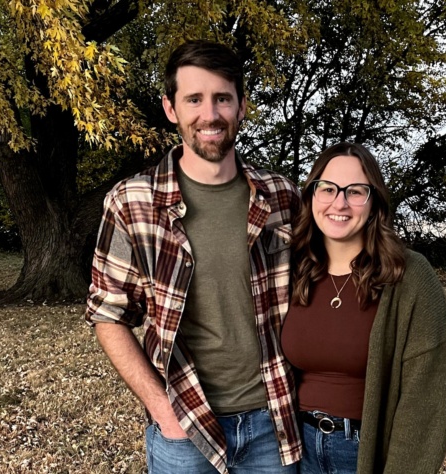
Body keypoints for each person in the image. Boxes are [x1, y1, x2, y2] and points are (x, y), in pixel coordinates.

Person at [85, 40, 301, 474]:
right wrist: (162, 409)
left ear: (241, 106)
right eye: (194, 99)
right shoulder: (132, 203)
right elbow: (109, 316)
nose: (210, 114)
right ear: (171, 108)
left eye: (222, 98)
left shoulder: (282, 197)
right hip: (184, 426)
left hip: (273, 423)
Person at [281, 142, 446, 473]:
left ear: (374, 202)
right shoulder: (293, 269)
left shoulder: (409, 276)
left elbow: (425, 399)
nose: (339, 203)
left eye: (355, 191)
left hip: (361, 453)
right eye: (327, 189)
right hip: (295, 451)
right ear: (311, 196)